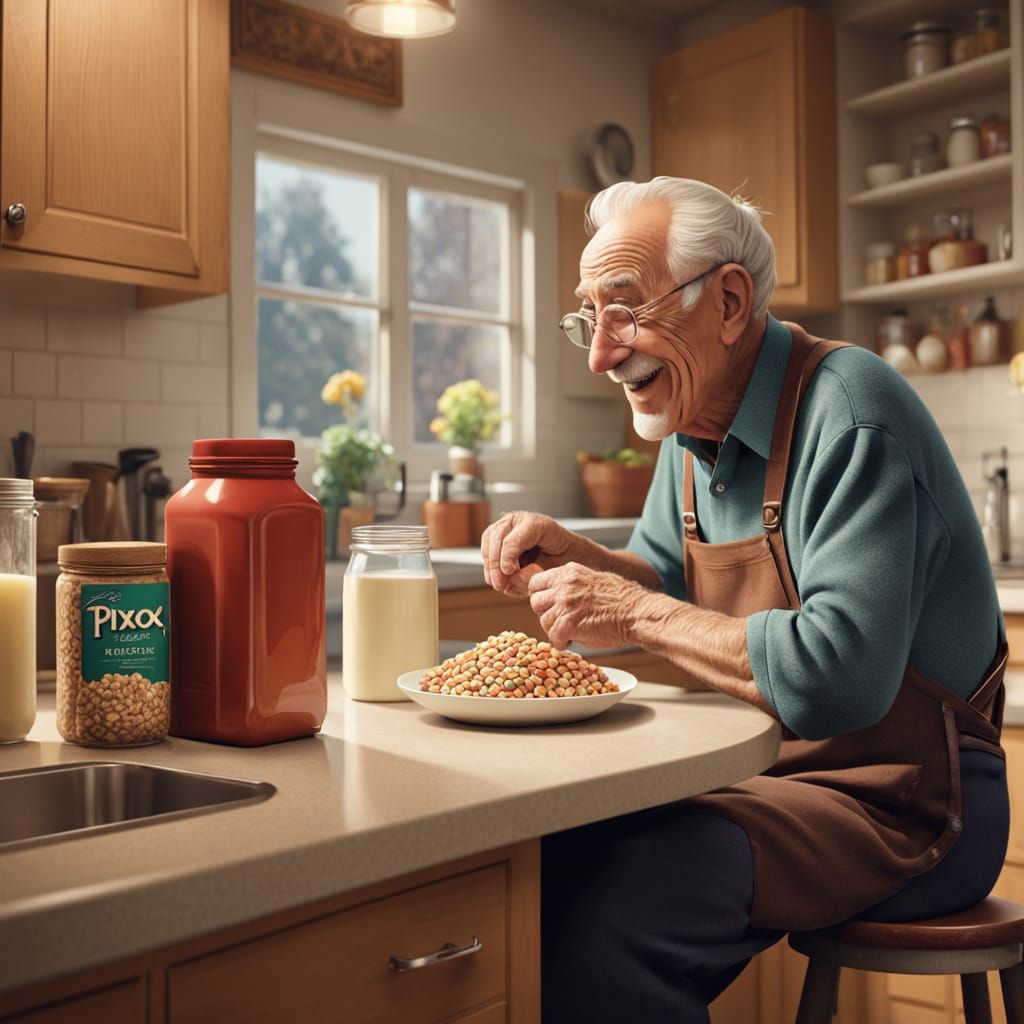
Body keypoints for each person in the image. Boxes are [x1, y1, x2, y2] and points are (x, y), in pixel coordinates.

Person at [479, 177, 1010, 1022]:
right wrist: (586, 566)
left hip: (916, 806)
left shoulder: (852, 409)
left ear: (728, 302)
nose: (601, 354)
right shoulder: (689, 432)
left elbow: (839, 680)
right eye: (589, 319)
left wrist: (630, 609)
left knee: (617, 916)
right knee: (552, 864)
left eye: (625, 310)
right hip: (775, 781)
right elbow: (657, 581)